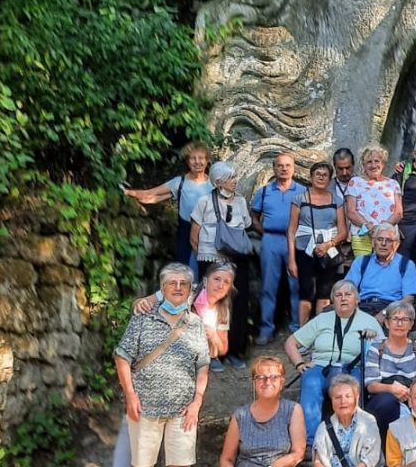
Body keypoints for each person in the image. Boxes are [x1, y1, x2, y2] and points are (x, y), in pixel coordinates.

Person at [106, 263, 234, 467]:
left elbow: (218, 351)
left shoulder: (217, 311)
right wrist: (143, 302)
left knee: (177, 458)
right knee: (135, 446)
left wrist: (209, 332)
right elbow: (153, 299)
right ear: (204, 281)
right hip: (146, 393)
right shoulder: (178, 292)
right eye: (217, 279)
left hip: (183, 393)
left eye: (226, 282)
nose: (221, 286)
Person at [114, 263, 210, 467]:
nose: (178, 288)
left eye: (184, 283)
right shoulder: (143, 317)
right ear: (162, 287)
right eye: (172, 283)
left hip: (183, 411)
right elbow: (122, 357)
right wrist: (130, 395)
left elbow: (203, 364)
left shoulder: (195, 324)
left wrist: (197, 401)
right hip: (145, 407)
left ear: (190, 289)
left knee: (180, 466)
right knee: (142, 466)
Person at [284, 280, 383, 447]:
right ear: (333, 300)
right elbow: (290, 342)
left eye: (348, 294)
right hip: (322, 367)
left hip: (354, 368)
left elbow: (384, 351)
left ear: (357, 299)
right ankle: (311, 443)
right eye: (338, 295)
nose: (343, 298)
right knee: (310, 380)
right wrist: (299, 364)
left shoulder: (370, 321)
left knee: (356, 386)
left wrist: (372, 340)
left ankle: (354, 440)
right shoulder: (322, 319)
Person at [191, 161, 253, 368]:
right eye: (231, 178)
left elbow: (245, 225)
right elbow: (194, 234)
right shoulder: (204, 201)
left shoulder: (241, 202)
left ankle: (236, 350)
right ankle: (213, 353)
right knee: (210, 307)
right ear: (219, 181)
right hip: (210, 259)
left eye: (235, 177)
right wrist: (204, 258)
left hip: (237, 259)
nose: (235, 181)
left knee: (239, 303)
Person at [124, 141, 212, 276]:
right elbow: (151, 194)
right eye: (193, 158)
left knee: (207, 274)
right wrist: (128, 192)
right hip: (185, 230)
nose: (197, 162)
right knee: (183, 270)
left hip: (209, 234)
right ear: (187, 161)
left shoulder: (213, 185)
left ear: (207, 161)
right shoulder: (179, 182)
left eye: (201, 158)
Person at [251, 153, 306, 345]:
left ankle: (296, 330)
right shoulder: (264, 192)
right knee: (268, 286)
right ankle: (266, 330)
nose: (284, 168)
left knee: (296, 285)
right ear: (274, 168)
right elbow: (253, 216)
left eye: (288, 165)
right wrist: (263, 230)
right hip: (271, 241)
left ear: (294, 168)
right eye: (280, 165)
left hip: (296, 243)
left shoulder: (302, 191)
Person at [365, 300, 416, 442]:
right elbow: (371, 385)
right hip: (382, 400)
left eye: (405, 320)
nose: (399, 323)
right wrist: (392, 389)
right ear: (386, 323)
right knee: (388, 401)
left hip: (411, 396)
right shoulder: (376, 347)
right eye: (395, 319)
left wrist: (410, 393)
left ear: (411, 324)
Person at [288, 161, 347, 326]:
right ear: (311, 177)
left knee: (324, 292)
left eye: (325, 175)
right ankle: (302, 332)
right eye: (318, 174)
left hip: (328, 250)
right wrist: (292, 260)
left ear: (329, 179)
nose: (321, 177)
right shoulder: (299, 198)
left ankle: (320, 331)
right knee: (306, 292)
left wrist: (328, 244)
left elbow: (343, 231)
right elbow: (291, 230)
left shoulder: (337, 200)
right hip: (304, 250)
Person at [344, 223, 416, 322]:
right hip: (362, 307)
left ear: (396, 244)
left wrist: (385, 313)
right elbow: (347, 290)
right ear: (373, 242)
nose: (383, 244)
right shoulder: (361, 261)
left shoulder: (407, 265)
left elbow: (408, 299)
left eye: (388, 240)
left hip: (392, 310)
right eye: (379, 239)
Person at [346, 143, 403, 257]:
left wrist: (382, 231)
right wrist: (370, 228)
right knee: (363, 269)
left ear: (383, 163)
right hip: (362, 235)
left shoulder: (393, 184)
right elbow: (351, 212)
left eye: (377, 161)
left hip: (388, 237)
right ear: (363, 164)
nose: (373, 165)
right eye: (369, 162)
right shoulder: (355, 182)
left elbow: (399, 213)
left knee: (385, 270)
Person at [330, 147, 357, 272]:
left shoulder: (363, 184)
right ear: (334, 167)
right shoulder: (326, 187)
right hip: (334, 242)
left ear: (353, 165)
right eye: (340, 169)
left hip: (358, 241)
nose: (345, 172)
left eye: (348, 168)